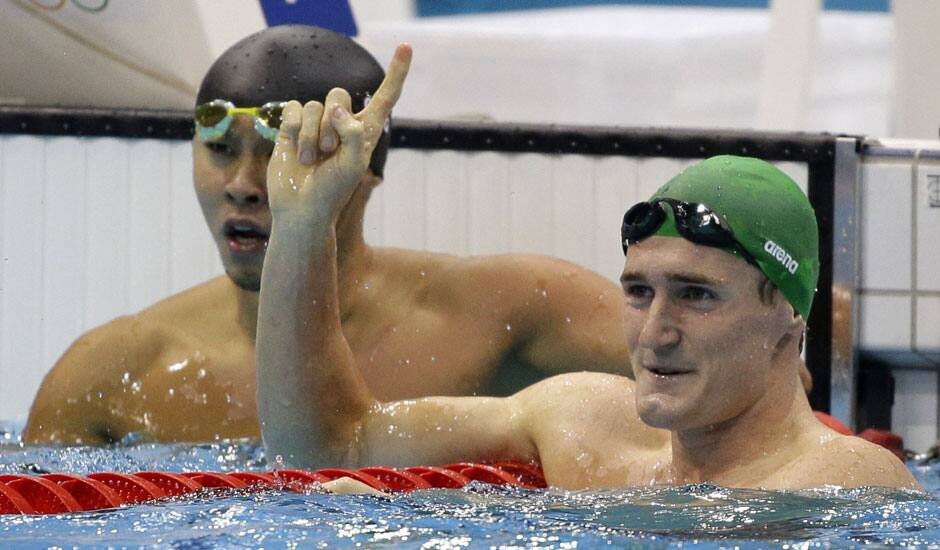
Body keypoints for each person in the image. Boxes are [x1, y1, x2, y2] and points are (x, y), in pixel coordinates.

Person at [255, 51, 919, 490]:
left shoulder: (850, 480)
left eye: (696, 295)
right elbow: (330, 446)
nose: (655, 332)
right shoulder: (580, 421)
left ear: (786, 316)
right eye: (638, 292)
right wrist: (304, 226)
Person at [23, 26, 630, 445]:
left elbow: (710, 388)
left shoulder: (510, 310)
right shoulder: (113, 374)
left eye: (281, 154)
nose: (243, 183)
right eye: (219, 151)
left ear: (367, 167)